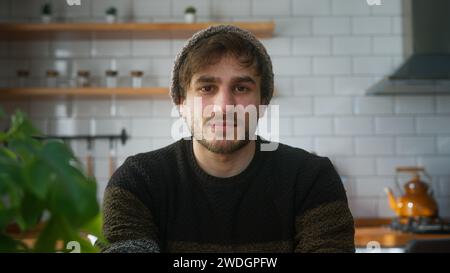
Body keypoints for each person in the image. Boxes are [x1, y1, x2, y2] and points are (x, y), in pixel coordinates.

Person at [101, 25, 355, 253]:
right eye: (206, 88)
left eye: (241, 88)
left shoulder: (311, 179)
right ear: (181, 102)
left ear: (263, 102)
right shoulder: (138, 182)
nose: (224, 106)